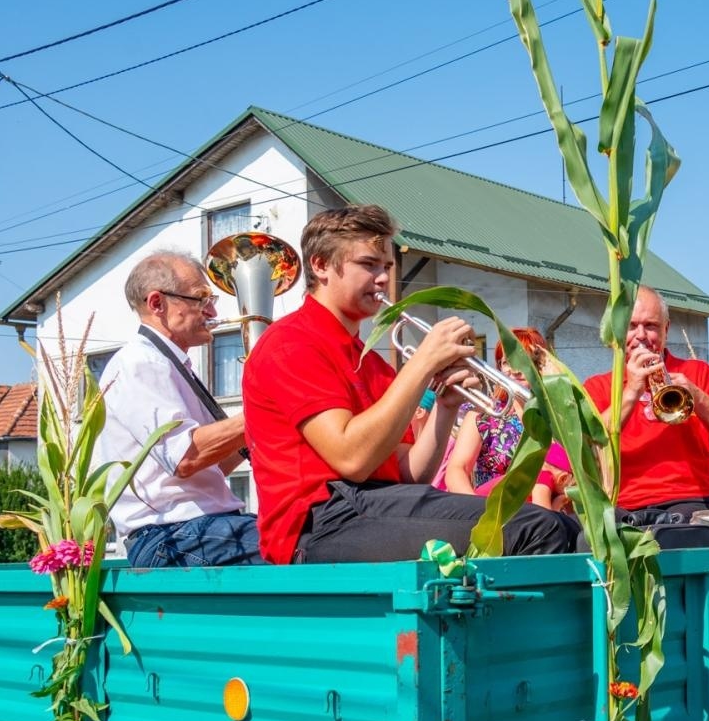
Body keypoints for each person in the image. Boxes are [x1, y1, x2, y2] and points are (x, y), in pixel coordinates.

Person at [240, 204, 577, 563]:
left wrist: (446, 407)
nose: (384, 278)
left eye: (386, 266)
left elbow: (410, 471)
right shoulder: (291, 343)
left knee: (576, 528)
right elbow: (350, 458)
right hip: (320, 522)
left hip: (377, 504)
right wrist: (421, 364)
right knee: (533, 528)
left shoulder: (369, 360)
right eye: (368, 265)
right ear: (321, 265)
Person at [97, 251, 263, 568]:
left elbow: (213, 467)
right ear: (157, 303)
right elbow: (186, 457)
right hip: (169, 535)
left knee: (304, 529)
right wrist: (265, 408)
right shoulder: (140, 363)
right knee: (301, 541)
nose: (213, 311)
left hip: (193, 529)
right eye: (201, 299)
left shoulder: (168, 364)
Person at [584, 286, 709, 524]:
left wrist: (697, 396)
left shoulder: (698, 372)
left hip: (691, 500)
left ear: (666, 329)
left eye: (650, 325)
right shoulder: (597, 386)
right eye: (631, 326)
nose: (640, 335)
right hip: (623, 505)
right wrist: (632, 390)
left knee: (679, 538)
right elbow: (590, 446)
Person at [442, 328, 547, 497]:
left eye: (524, 360)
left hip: (545, 513)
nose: (515, 369)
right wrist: (476, 509)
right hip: (491, 509)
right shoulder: (482, 414)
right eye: (507, 362)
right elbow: (457, 469)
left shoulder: (554, 418)